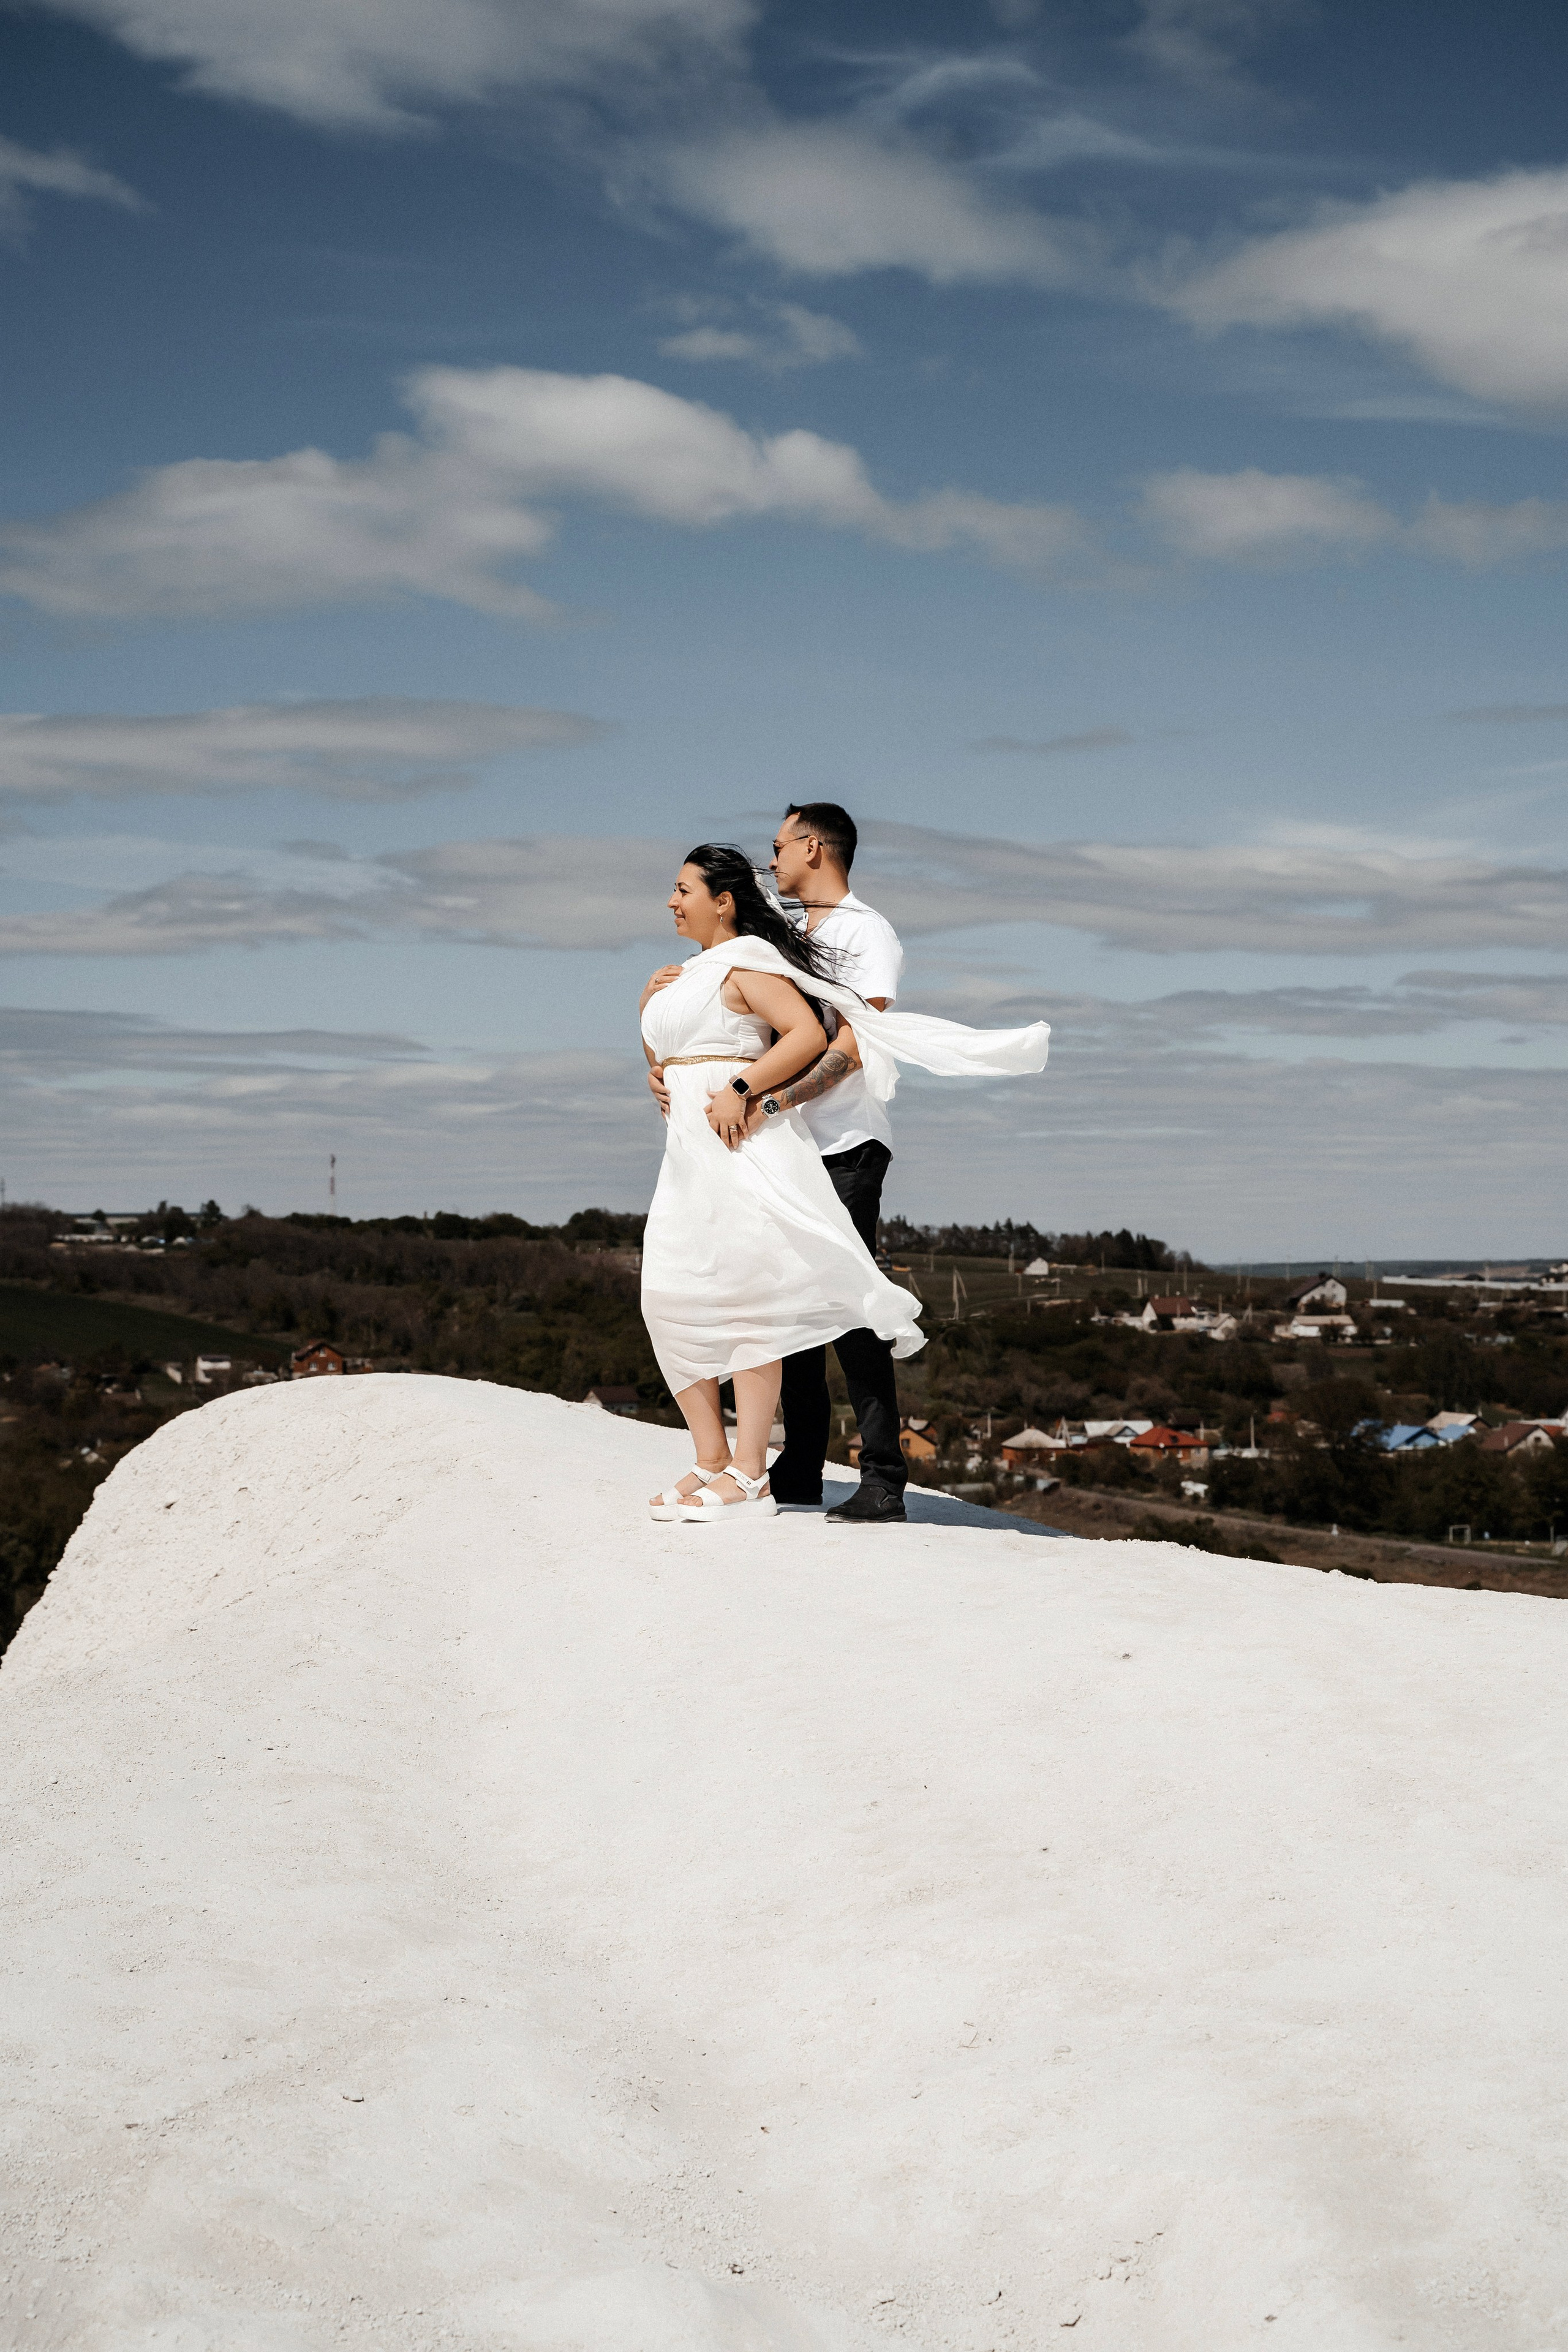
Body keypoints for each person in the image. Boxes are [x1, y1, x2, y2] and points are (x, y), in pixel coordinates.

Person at [638, 844, 1050, 1525]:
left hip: (810, 1143)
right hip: (692, 1155)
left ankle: (838, 1476)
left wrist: (750, 1092)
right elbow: (675, 1055)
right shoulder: (722, 960)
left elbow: (835, 1032)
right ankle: (741, 1462)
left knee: (812, 1307)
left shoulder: (837, 938)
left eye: (683, 888)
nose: (671, 900)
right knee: (676, 1296)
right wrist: (660, 1055)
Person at [764, 802, 908, 1522]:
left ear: (813, 846)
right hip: (785, 1150)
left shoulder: (866, 931)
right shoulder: (786, 934)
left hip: (845, 1146)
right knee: (793, 1310)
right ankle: (798, 1468)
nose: (772, 860)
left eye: (779, 845)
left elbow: (855, 1043)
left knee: (851, 1308)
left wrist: (775, 1099)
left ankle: (884, 1478)